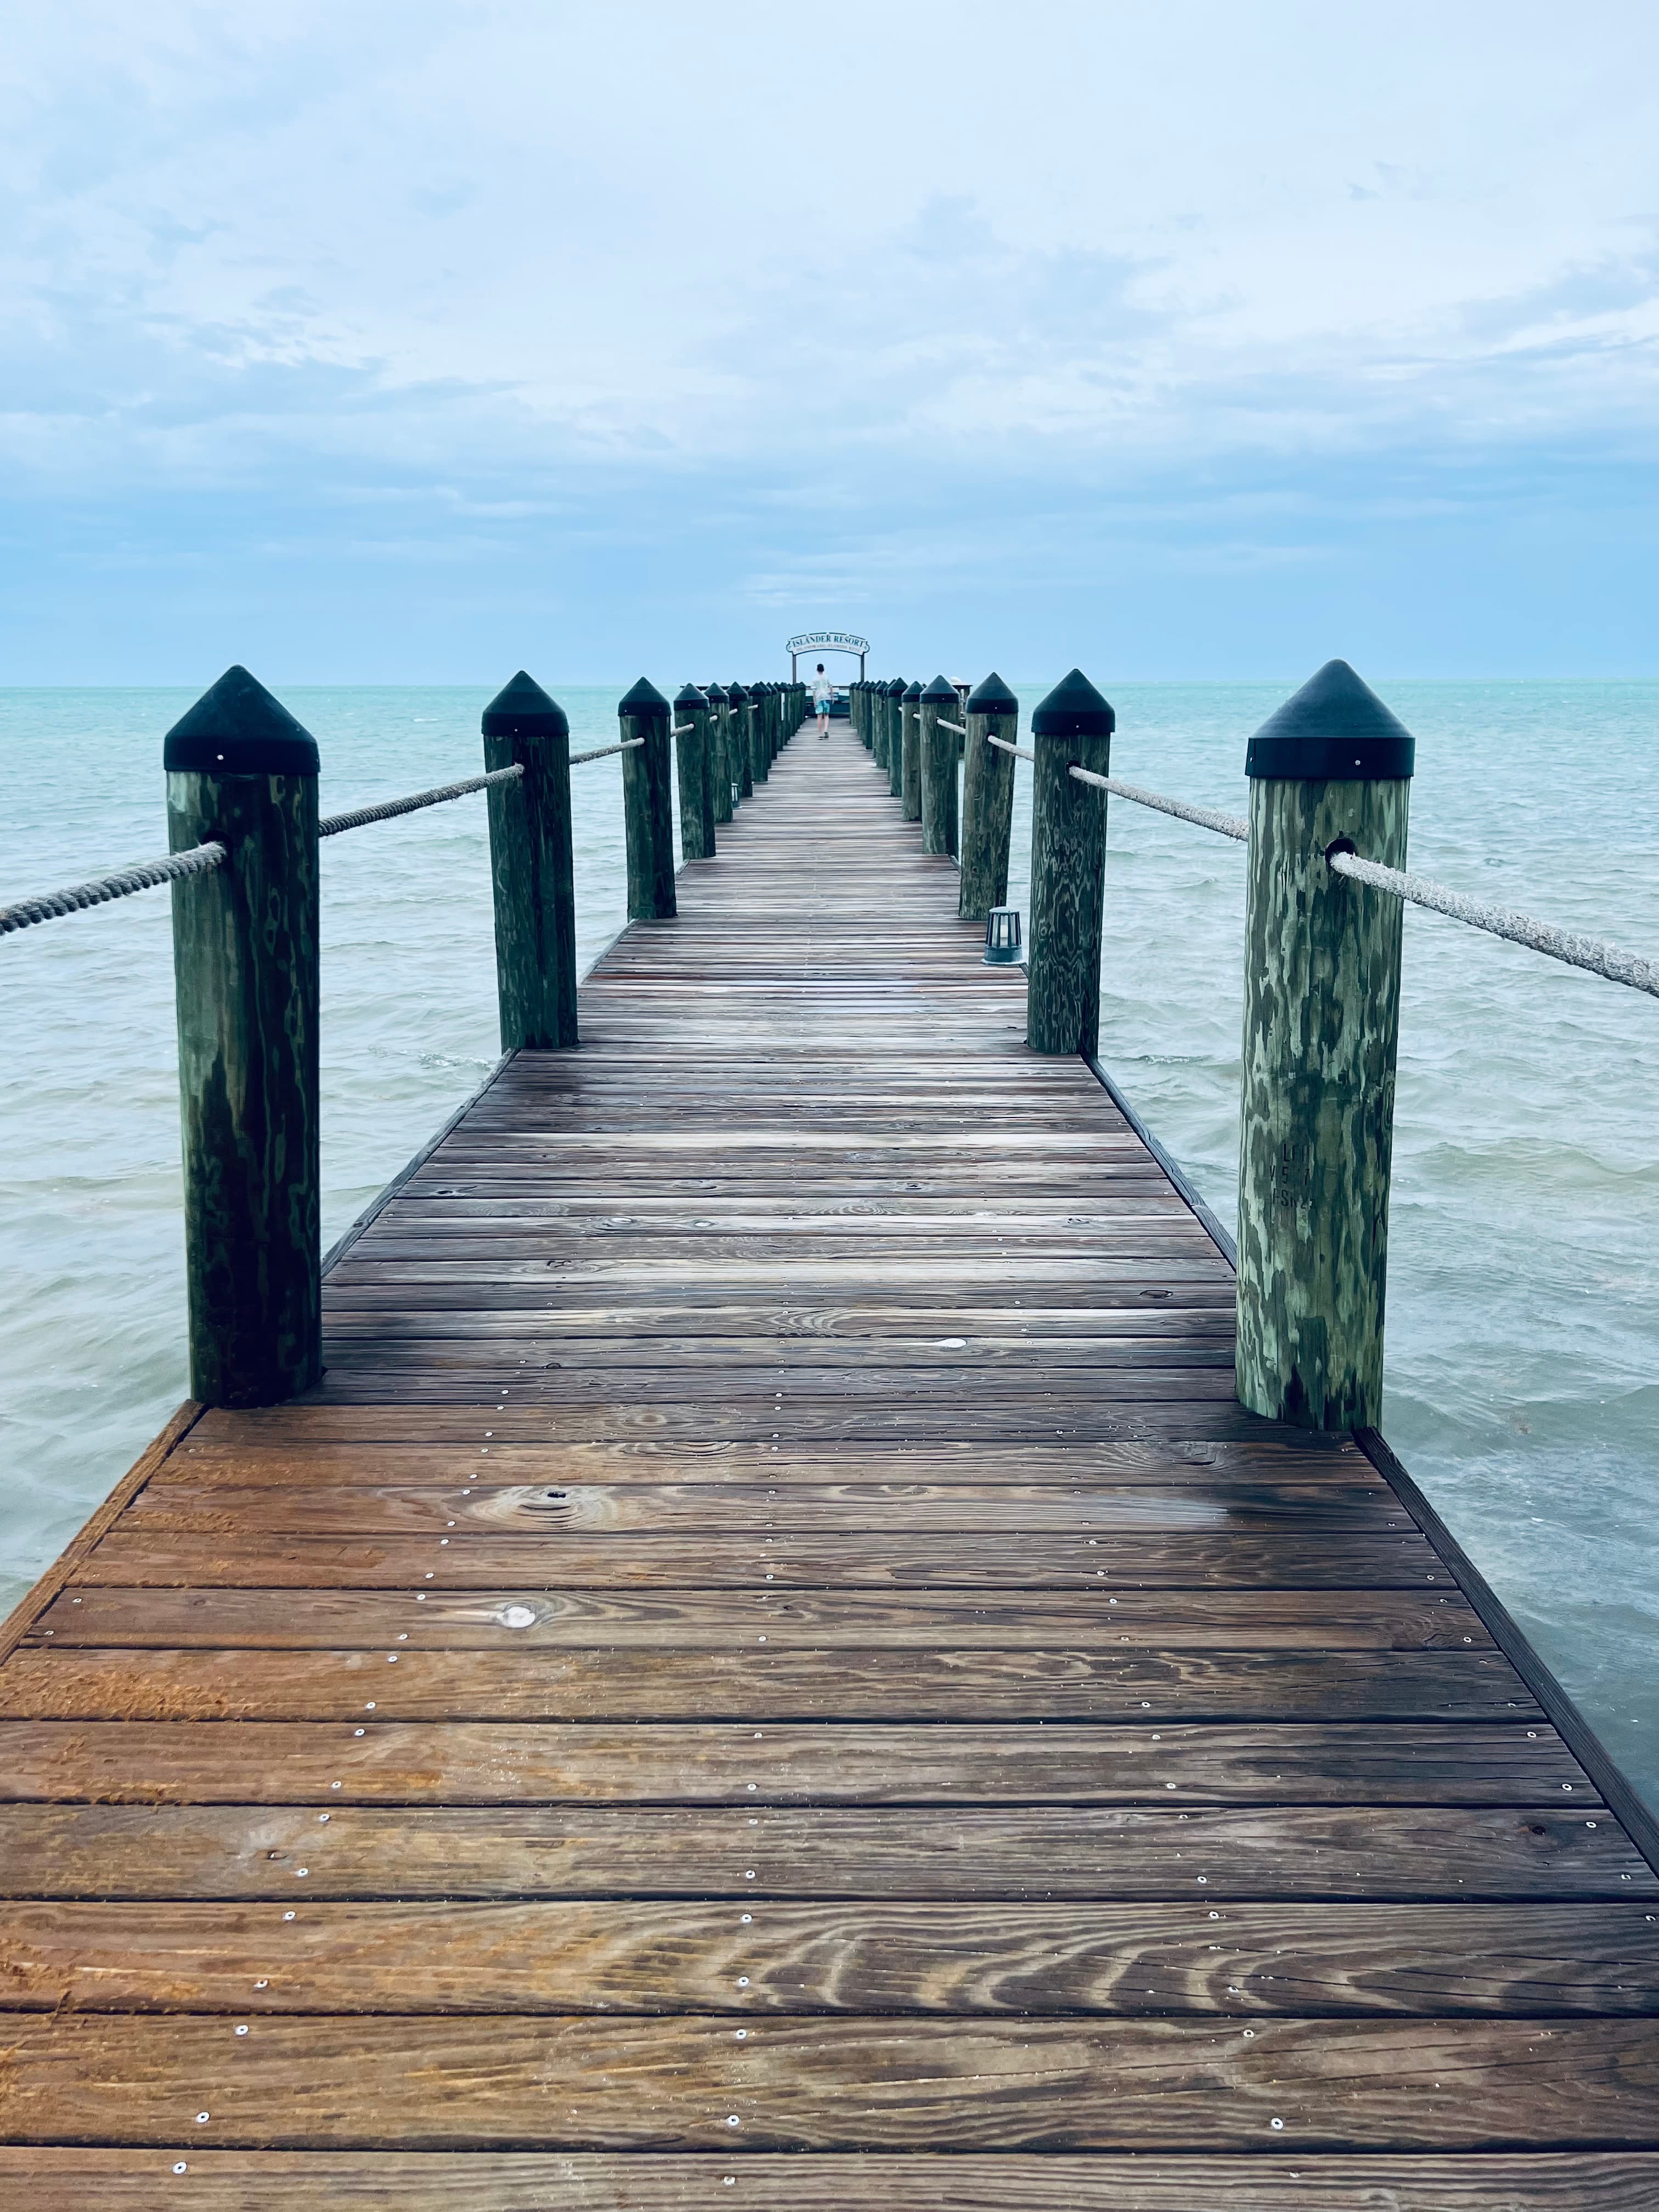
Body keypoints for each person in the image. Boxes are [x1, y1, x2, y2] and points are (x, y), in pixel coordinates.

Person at [811, 663, 833, 737]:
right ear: (823, 669)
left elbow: (814, 690)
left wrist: (814, 701)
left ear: (817, 670)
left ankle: (820, 734)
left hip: (818, 698)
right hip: (826, 697)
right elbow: (830, 687)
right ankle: (826, 729)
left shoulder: (815, 679)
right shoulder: (826, 677)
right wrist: (832, 697)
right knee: (826, 715)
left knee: (819, 716)